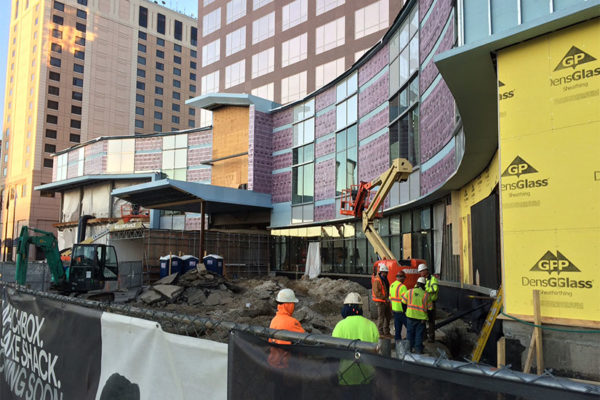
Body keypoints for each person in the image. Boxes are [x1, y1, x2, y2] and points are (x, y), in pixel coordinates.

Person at [332, 293, 379, 392]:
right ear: (360, 308)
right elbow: (377, 352)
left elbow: (334, 352)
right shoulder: (371, 325)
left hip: (345, 375)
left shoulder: (340, 326)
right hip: (367, 376)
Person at [268, 288, 304, 368]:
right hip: (286, 365)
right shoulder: (291, 322)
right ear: (289, 305)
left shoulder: (275, 319)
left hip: (273, 363)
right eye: (293, 304)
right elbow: (305, 339)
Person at [401, 277, 432, 354]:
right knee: (419, 334)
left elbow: (403, 302)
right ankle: (418, 350)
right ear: (424, 285)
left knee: (409, 333)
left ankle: (408, 349)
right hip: (421, 319)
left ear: (417, 284)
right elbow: (430, 309)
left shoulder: (409, 292)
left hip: (410, 316)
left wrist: (405, 311)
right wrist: (429, 319)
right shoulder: (426, 295)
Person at [418, 263, 439, 342]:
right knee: (423, 319)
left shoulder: (432, 279)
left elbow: (435, 289)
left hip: (431, 302)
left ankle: (431, 337)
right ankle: (424, 336)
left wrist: (425, 291)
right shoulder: (422, 279)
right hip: (423, 302)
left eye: (422, 271)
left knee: (431, 321)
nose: (421, 273)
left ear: (426, 270)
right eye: (420, 272)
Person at [371, 265, 392, 337]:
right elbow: (377, 292)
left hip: (385, 301)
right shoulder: (377, 280)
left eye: (387, 272)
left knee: (388, 316)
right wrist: (385, 298)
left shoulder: (384, 279)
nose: (386, 274)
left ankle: (386, 332)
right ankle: (380, 332)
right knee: (381, 317)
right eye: (385, 272)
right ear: (382, 272)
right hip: (381, 301)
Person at [389, 271, 408, 341]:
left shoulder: (392, 285)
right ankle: (409, 344)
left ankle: (398, 346)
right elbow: (406, 300)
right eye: (404, 278)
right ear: (402, 278)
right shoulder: (403, 287)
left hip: (394, 310)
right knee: (410, 328)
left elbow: (390, 298)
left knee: (397, 329)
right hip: (402, 311)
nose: (404, 279)